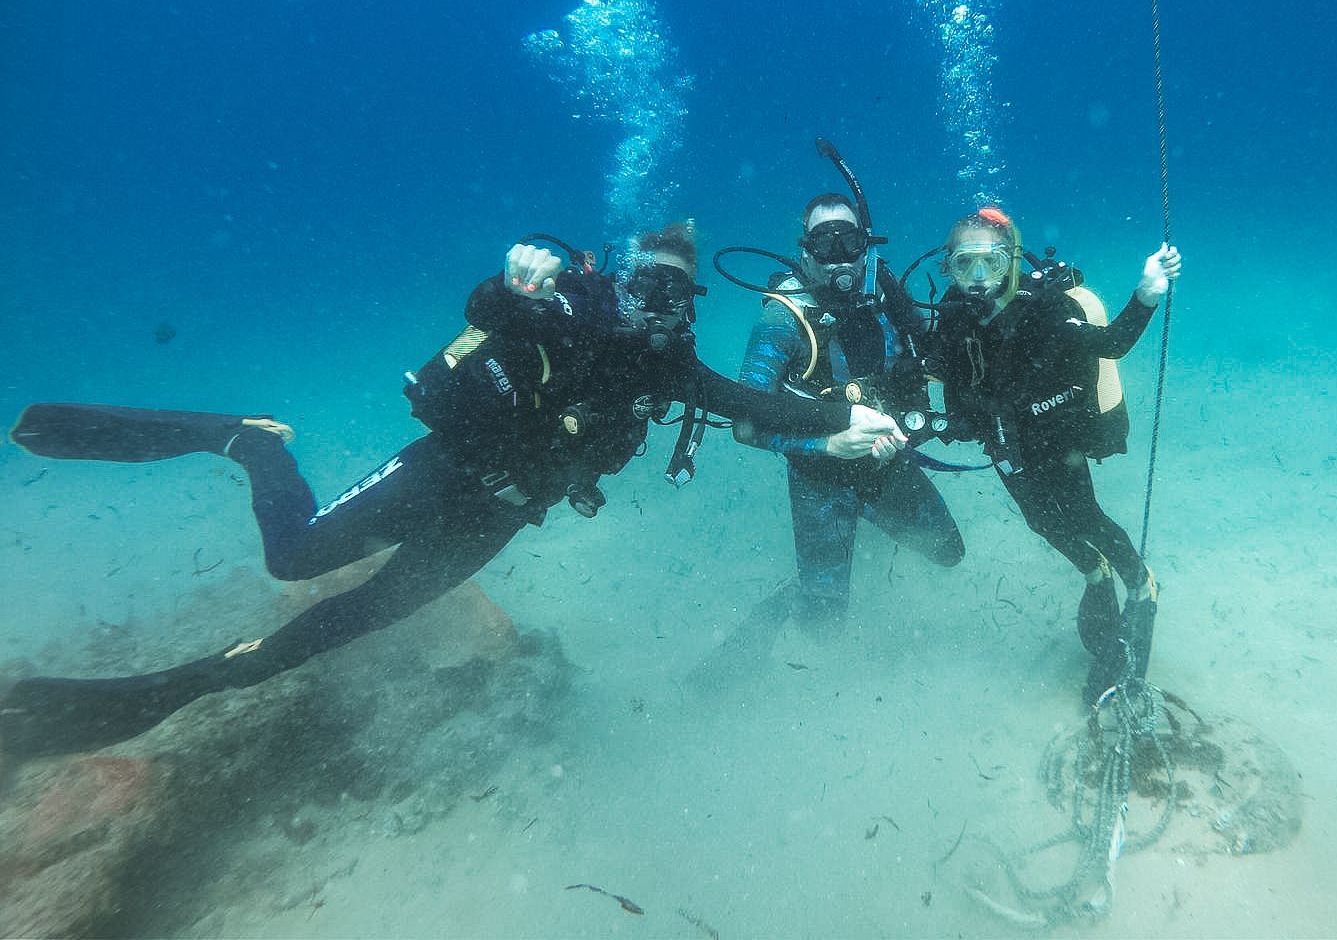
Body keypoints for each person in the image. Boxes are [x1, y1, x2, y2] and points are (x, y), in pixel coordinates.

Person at [1, 223, 905, 758]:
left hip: (494, 521)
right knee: (294, 559)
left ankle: (163, 692)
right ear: (613, 277)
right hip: (439, 473)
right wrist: (511, 284)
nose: (660, 304)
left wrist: (836, 420)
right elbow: (490, 311)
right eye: (647, 282)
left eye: (677, 291)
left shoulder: (666, 362)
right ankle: (243, 440)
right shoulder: (559, 312)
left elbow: (740, 397)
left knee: (339, 624)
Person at [925, 207, 1181, 704]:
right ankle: (1094, 572)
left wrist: (1147, 292)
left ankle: (1142, 585)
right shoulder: (954, 319)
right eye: (964, 265)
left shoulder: (1041, 311)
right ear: (948, 269)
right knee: (1042, 522)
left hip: (1056, 436)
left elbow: (1113, 343)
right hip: (1003, 441)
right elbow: (936, 374)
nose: (979, 279)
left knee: (1085, 515)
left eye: (992, 264)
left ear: (1013, 263)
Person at [735, 194, 965, 625]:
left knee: (948, 552)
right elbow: (745, 423)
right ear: (805, 251)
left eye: (850, 241)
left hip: (887, 464)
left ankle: (868, 532)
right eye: (825, 243)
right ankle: (792, 599)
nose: (838, 256)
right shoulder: (784, 317)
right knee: (824, 623)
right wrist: (828, 444)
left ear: (866, 246)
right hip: (818, 479)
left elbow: (930, 352)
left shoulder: (885, 294)